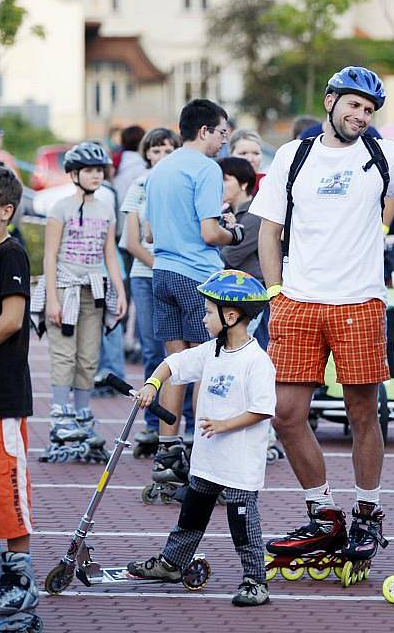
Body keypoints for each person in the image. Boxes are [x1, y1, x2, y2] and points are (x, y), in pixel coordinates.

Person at [251, 66, 394, 563]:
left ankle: (367, 516)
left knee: (362, 413)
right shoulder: (294, 155)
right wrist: (275, 293)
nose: (361, 115)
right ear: (330, 101)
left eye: (370, 110)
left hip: (359, 301)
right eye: (353, 105)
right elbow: (270, 230)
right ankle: (324, 515)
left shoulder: (381, 154)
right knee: (286, 415)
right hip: (298, 302)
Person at [128, 270, 275, 607]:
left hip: (239, 464)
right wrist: (153, 383)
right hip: (207, 461)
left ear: (232, 316)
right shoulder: (212, 352)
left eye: (209, 312)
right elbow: (174, 362)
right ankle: (172, 564)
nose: (204, 318)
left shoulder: (257, 361)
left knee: (243, 525)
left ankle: (255, 581)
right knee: (191, 516)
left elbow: (264, 409)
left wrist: (226, 425)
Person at [145, 100, 245, 493]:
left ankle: (168, 451)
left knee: (176, 364)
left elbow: (150, 234)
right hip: (198, 275)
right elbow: (209, 233)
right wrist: (233, 233)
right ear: (204, 130)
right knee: (208, 365)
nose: (225, 142)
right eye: (223, 133)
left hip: (163, 271)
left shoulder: (159, 169)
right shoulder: (205, 168)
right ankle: (206, 459)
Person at [35, 142, 127, 461]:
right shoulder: (59, 208)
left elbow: (109, 254)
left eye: (99, 170)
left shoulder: (106, 209)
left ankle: (83, 414)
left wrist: (120, 290)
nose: (95, 176)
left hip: (94, 290)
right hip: (65, 289)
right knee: (64, 355)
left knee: (88, 356)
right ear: (73, 174)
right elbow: (49, 255)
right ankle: (60, 417)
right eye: (88, 170)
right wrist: (52, 299)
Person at [0, 167, 40, 625]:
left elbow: (10, 320)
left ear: (6, 210)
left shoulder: (10, 255)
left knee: (8, 487)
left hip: (3, 396)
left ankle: (20, 578)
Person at [121, 128, 181, 446]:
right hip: (146, 276)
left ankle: (177, 423)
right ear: (146, 153)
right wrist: (159, 265)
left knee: (179, 352)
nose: (161, 157)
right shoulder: (139, 184)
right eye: (156, 151)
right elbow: (132, 240)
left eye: (169, 151)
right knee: (151, 350)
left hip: (175, 276)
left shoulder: (179, 183)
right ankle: (152, 423)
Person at [219, 156, 269, 349]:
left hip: (252, 296)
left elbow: (229, 256)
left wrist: (220, 236)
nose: (219, 186)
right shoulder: (227, 213)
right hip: (234, 293)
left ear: (243, 183)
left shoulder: (254, 215)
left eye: (225, 180)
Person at [229, 129, 265, 195]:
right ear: (231, 155)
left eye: (256, 153)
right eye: (243, 153)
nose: (250, 159)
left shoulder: (268, 183)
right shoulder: (221, 184)